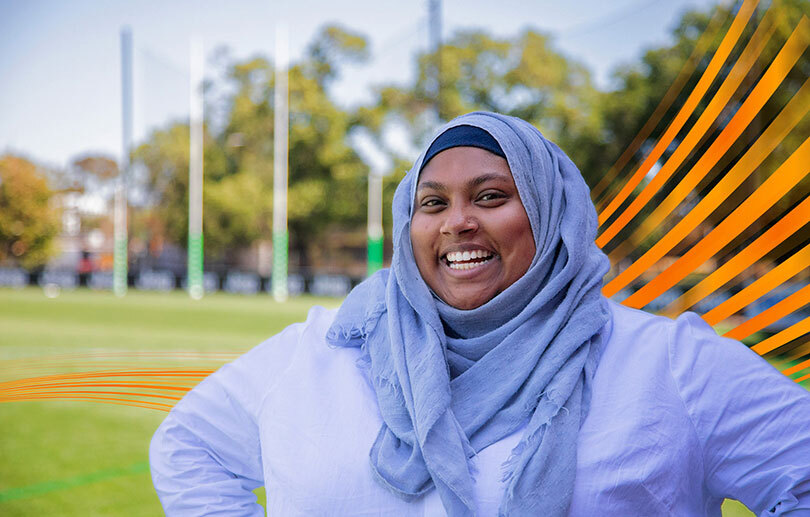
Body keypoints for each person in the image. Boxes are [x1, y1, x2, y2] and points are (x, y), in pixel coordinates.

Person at [150, 112, 810, 516]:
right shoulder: (320, 352)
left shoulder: (665, 361)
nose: (458, 221)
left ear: (552, 215)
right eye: (431, 203)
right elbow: (188, 447)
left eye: (491, 195)